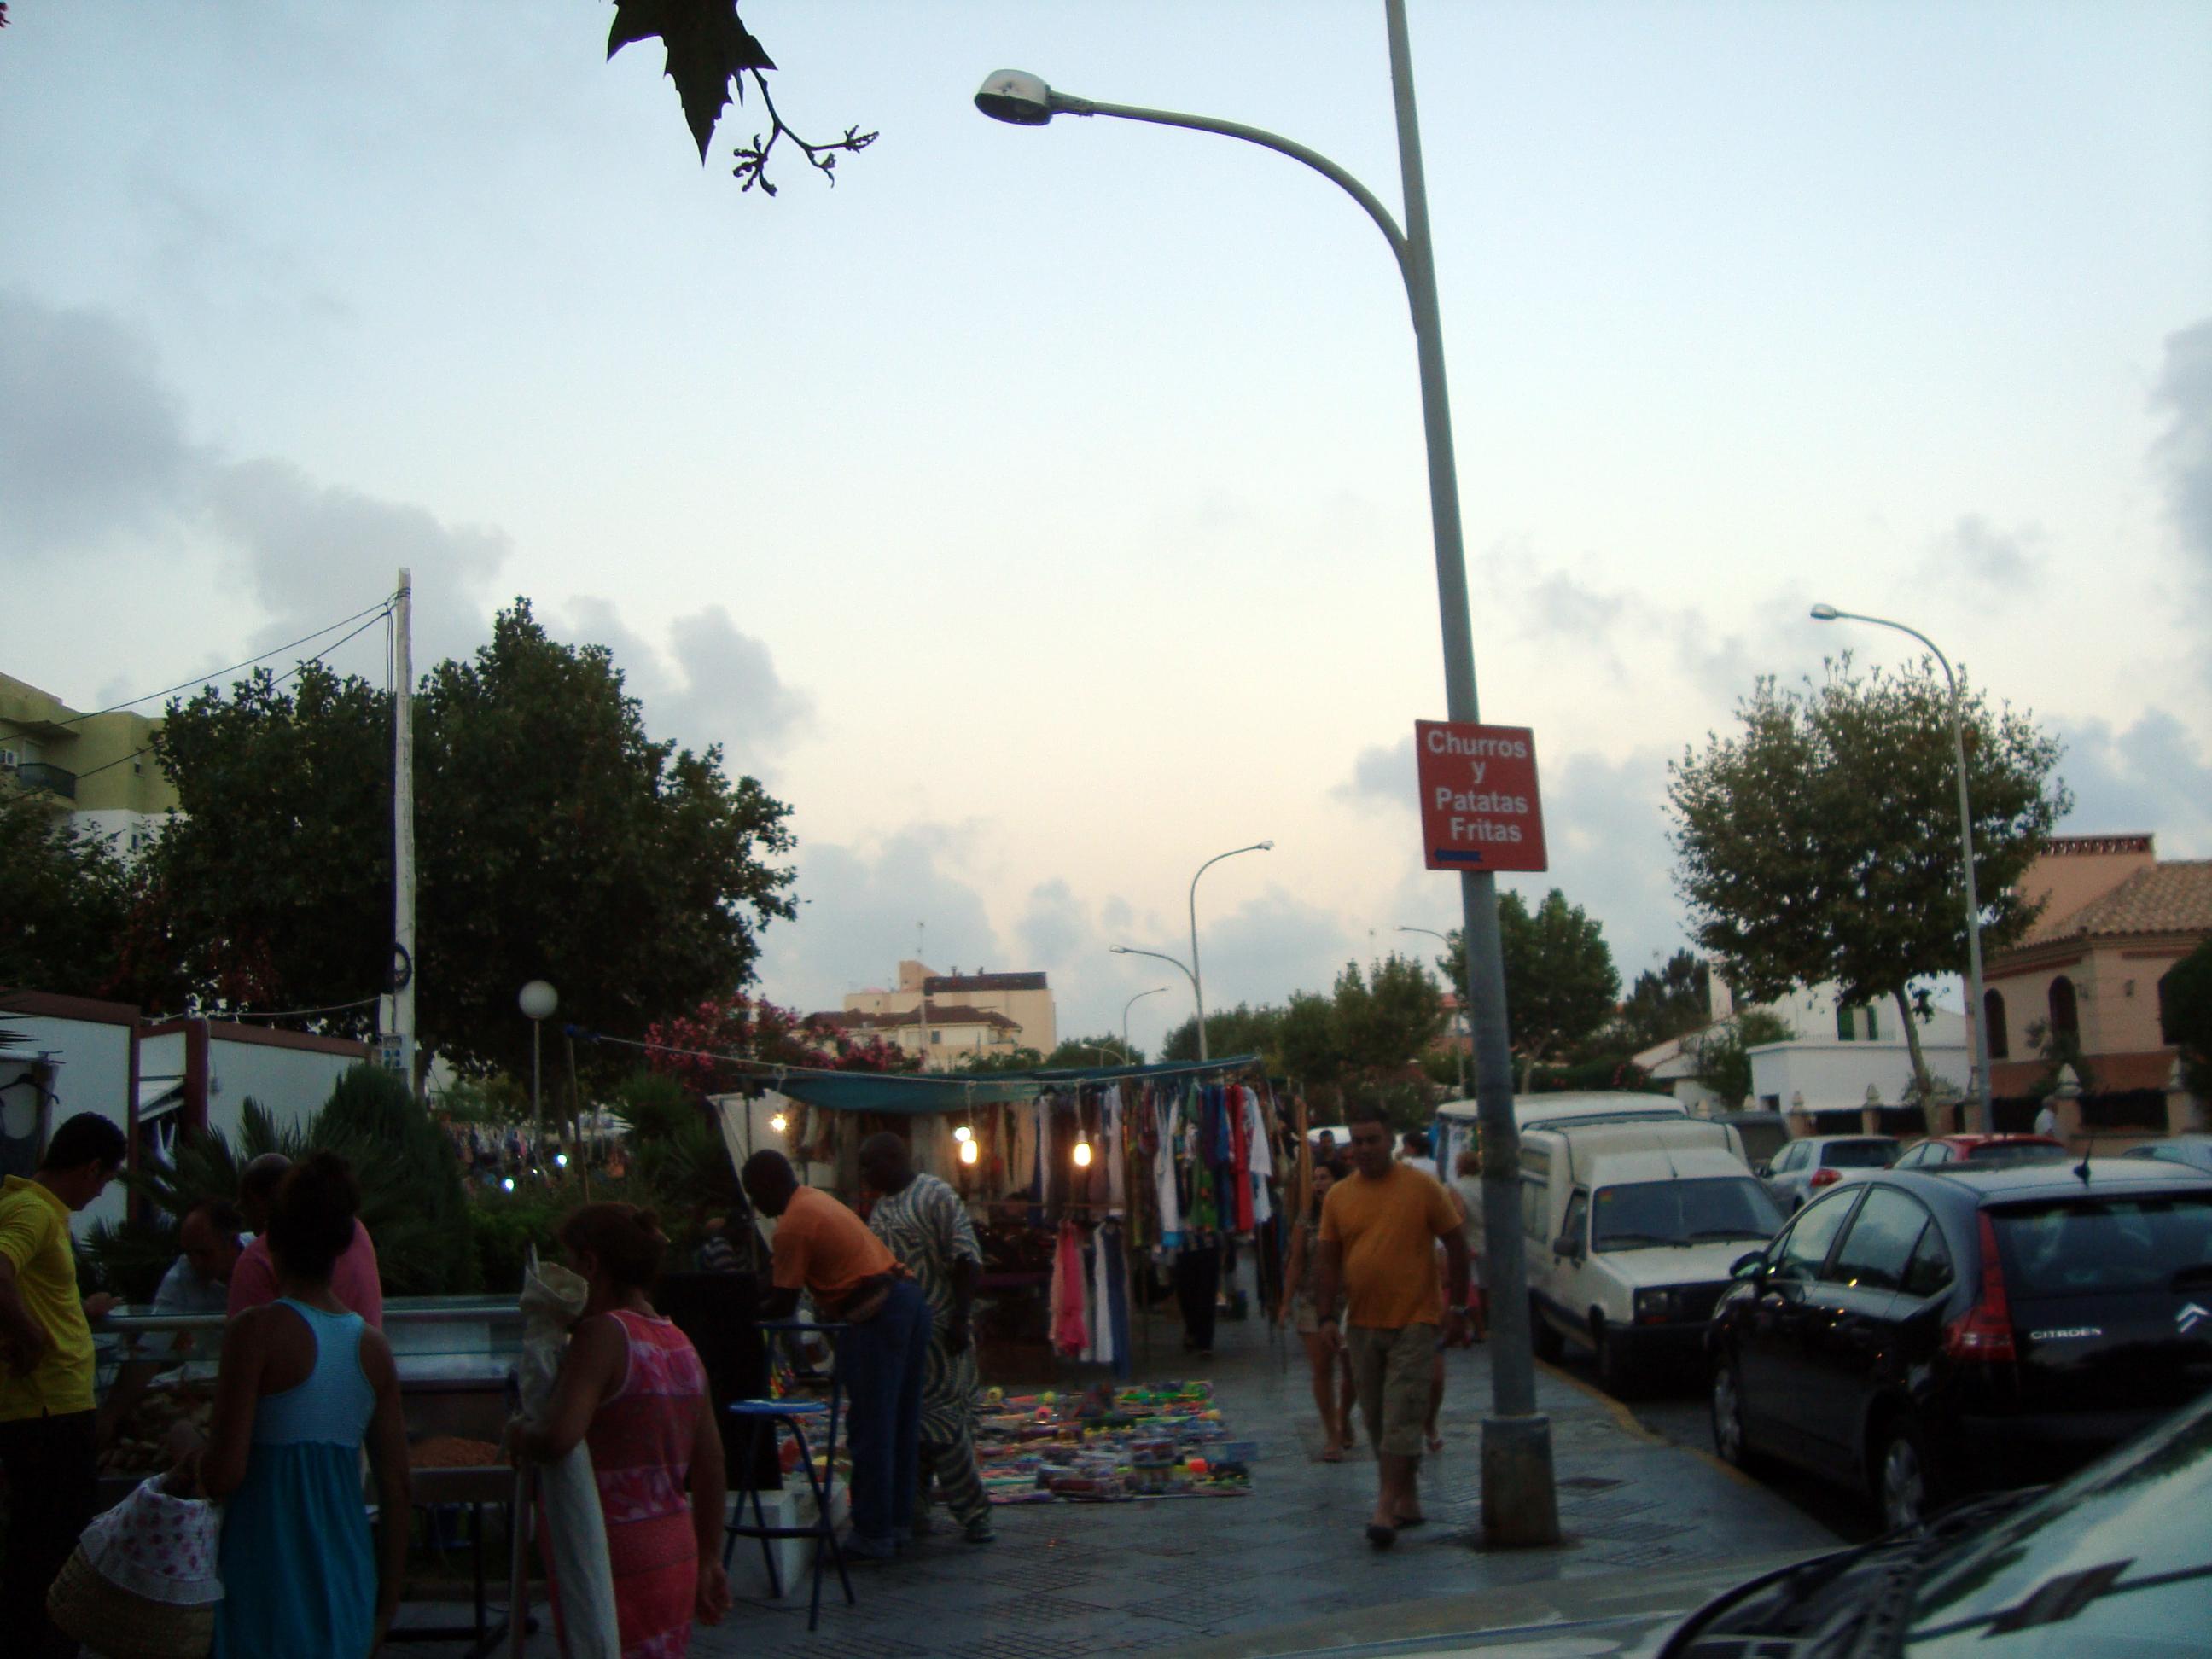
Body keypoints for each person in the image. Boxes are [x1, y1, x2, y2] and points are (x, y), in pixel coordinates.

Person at [191, 1153, 410, 1658]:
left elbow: (224, 1471)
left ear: (273, 1244)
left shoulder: (256, 1333)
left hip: (262, 1578)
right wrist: (386, 1604)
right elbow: (397, 1486)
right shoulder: (372, 1349)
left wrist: (186, 1448)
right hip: (345, 1579)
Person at [515, 1202, 731, 1656]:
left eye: (572, 1263)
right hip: (675, 1553)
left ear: (591, 1264)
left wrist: (519, 1434)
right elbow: (711, 1462)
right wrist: (710, 1557)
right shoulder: (679, 1343)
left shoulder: (602, 1337)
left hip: (612, 1557)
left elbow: (558, 1437)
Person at [742, 1150, 930, 1562]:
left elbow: (781, 1302)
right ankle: (895, 1525)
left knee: (871, 1427)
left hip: (876, 1314)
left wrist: (738, 1316)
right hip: (907, 1301)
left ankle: (873, 1535)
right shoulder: (813, 1200)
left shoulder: (793, 1224)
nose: (756, 1206)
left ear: (771, 1186)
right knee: (898, 1423)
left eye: (755, 1195)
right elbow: (779, 1276)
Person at [0, 1111, 125, 1659]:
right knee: (51, 1550)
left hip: (53, 1409)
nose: (99, 1193)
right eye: (104, 1181)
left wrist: (77, 1312)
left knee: (48, 1545)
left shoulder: (41, 1212)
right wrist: (35, 1338)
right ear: (93, 1168)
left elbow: (32, 1289)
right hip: (46, 1413)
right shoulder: (31, 1210)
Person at [1316, 1109, 1468, 1549]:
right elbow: (1326, 1261)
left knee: (1404, 1412)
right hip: (1362, 1323)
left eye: (1373, 1140)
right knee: (1378, 1419)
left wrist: (1457, 1307)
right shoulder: (1339, 1197)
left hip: (1415, 1320)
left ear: (1391, 1142)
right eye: (1357, 1141)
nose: (1364, 1149)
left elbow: (1457, 1245)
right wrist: (1326, 1316)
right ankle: (1409, 1499)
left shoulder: (1422, 1188)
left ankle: (1384, 1507)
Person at [857, 1132, 995, 1545]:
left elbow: (966, 1257)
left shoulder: (936, 1195)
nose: (865, 1175)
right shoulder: (879, 1209)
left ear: (895, 1158)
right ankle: (913, 1509)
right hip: (902, 1338)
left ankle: (974, 1514)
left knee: (944, 1430)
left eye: (870, 1165)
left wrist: (960, 1317)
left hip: (940, 1334)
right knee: (910, 1427)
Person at [102, 1199, 248, 1442]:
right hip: (204, 1388)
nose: (195, 1262)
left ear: (232, 1241)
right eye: (189, 1253)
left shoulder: (265, 1260)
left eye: (204, 1252)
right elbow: (152, 1345)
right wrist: (110, 1415)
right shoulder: (181, 1278)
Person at [228, 1153, 384, 1326]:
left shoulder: (256, 1259)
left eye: (244, 1202)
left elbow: (247, 1346)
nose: (239, 1209)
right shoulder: (356, 1232)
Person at [1278, 1156, 1356, 1460]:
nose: (1319, 1183)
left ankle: (1344, 1414)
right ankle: (1332, 1434)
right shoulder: (1305, 1219)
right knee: (1322, 1368)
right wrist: (1285, 1302)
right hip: (1312, 1299)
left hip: (1348, 1300)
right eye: (1316, 1178)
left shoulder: (1351, 1211)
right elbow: (1296, 1261)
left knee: (1353, 1370)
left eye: (1325, 1177)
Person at [1449, 1146, 1487, 1342]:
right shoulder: (1487, 1186)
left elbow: (1459, 1216)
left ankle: (1478, 1327)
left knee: (1473, 1286)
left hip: (1469, 1241)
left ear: (1460, 1167)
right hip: (1490, 1242)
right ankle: (1488, 1324)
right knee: (1488, 1285)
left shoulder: (1457, 1188)